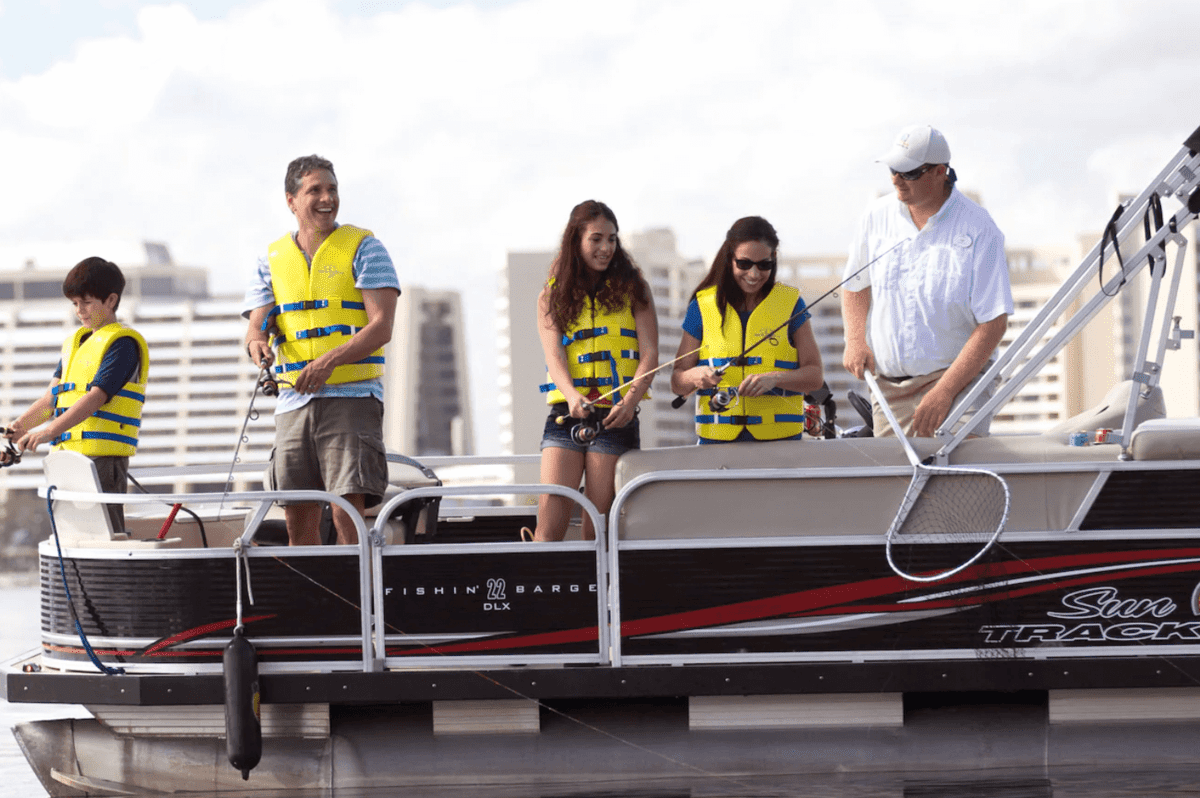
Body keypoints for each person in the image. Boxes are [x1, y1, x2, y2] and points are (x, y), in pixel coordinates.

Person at [243, 155, 400, 546]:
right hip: (293, 402)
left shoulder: (366, 248)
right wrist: (257, 344)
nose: (327, 198)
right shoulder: (271, 259)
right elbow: (255, 326)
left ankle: (357, 602)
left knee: (347, 514)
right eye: (315, 190)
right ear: (291, 200)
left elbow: (381, 327)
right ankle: (310, 605)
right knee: (298, 518)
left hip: (352, 398)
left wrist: (326, 363)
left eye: (332, 189)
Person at [841, 124, 1013, 438]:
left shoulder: (980, 228)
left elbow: (993, 324)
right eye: (894, 169)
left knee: (957, 472)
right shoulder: (874, 217)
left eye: (908, 173)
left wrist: (945, 391)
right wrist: (855, 340)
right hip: (888, 387)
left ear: (939, 172)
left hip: (961, 383)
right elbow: (854, 286)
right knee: (895, 484)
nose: (896, 179)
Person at [529, 200, 658, 542]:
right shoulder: (550, 296)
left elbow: (650, 354)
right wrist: (572, 397)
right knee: (548, 527)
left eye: (612, 239)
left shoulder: (636, 290)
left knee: (598, 528)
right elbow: (554, 358)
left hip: (617, 417)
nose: (606, 248)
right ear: (576, 242)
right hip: (565, 417)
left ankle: (599, 594)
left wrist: (629, 403)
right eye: (596, 239)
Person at [3, 257, 148, 533]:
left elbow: (96, 397)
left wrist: (48, 432)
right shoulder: (74, 344)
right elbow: (51, 399)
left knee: (105, 536)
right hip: (67, 458)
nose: (79, 310)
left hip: (101, 461)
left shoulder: (122, 344)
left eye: (87, 302)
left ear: (111, 300)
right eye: (74, 304)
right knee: (72, 538)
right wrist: (20, 426)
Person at [671, 216, 823, 443]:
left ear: (774, 260)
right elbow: (677, 381)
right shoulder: (701, 307)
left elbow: (815, 377)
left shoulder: (792, 304)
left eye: (764, 265)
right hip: (716, 444)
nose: (754, 274)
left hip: (781, 444)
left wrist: (775, 378)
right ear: (730, 259)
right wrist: (695, 376)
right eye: (744, 264)